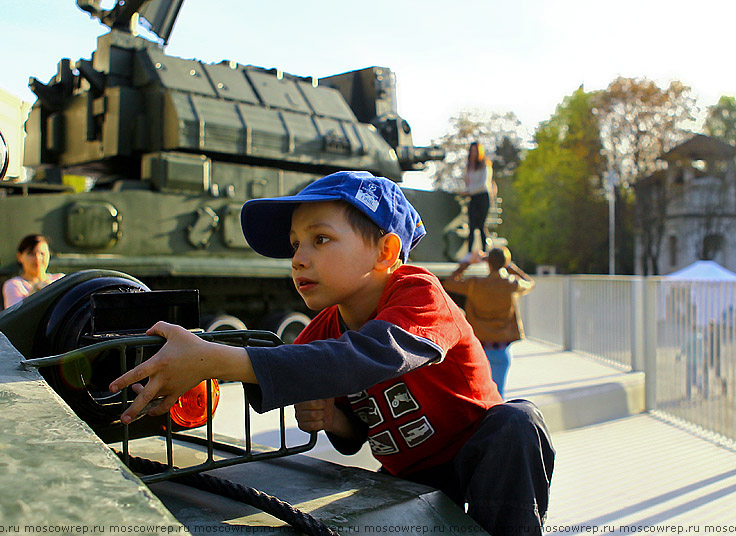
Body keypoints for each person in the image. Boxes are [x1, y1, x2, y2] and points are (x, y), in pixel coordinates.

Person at [109, 171, 554, 536]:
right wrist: (332, 418)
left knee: (517, 421)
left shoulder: (420, 294)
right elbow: (350, 429)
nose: (299, 258)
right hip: (410, 476)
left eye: (320, 239)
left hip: (482, 460)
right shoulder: (324, 329)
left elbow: (373, 355)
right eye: (295, 245)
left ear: (386, 251)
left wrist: (219, 358)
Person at [442, 248, 534, 398]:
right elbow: (530, 283)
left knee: (476, 394)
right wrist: (509, 266)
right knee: (498, 394)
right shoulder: (511, 284)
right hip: (501, 348)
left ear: (488, 263)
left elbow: (450, 283)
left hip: (478, 348)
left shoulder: (475, 284)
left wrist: (467, 263)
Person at [2, 234, 64, 308]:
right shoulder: (14, 285)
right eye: (31, 254)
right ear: (20, 257)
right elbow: (15, 316)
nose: (37, 259)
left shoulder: (60, 279)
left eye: (42, 254)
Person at [463, 142, 495, 252]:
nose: (473, 153)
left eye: (475, 150)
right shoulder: (469, 166)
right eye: (471, 150)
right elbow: (468, 182)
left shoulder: (485, 164)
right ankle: (469, 253)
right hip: (473, 198)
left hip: (483, 197)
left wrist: (469, 191)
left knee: (481, 225)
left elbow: (484, 184)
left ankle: (485, 252)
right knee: (471, 226)